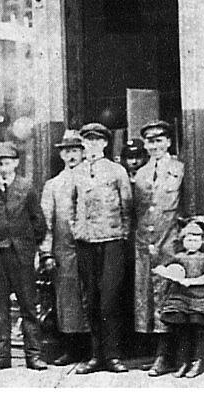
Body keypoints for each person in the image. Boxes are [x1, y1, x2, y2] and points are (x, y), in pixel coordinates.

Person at [0, 141, 49, 372]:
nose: (3, 167)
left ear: (16, 163)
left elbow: (39, 221)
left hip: (21, 255)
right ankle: (0, 356)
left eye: (8, 162)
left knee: (28, 305)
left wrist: (30, 245)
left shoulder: (26, 187)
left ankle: (33, 355)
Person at [70, 122, 133, 374]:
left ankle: (113, 355)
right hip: (86, 241)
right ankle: (96, 356)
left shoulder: (117, 171)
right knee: (91, 300)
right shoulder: (77, 172)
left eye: (97, 141)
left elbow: (127, 205)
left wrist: (123, 234)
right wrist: (76, 229)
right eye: (88, 141)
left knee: (110, 299)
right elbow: (72, 206)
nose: (92, 145)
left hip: (112, 240)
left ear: (105, 143)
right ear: (83, 144)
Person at [132, 120, 187, 376]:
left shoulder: (180, 169)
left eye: (158, 140)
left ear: (168, 142)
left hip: (171, 242)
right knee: (149, 298)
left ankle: (169, 356)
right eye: (149, 141)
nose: (153, 146)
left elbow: (187, 206)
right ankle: (158, 353)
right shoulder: (141, 174)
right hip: (146, 244)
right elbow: (137, 211)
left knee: (170, 297)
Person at [39, 129, 91, 365]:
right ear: (61, 155)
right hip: (64, 249)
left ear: (83, 152)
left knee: (91, 296)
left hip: (90, 248)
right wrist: (47, 252)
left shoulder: (92, 178)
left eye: (75, 150)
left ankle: (95, 349)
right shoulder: (53, 185)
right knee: (68, 300)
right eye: (67, 151)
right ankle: (72, 349)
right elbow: (45, 221)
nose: (71, 156)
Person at [155, 215, 204, 378]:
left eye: (196, 240)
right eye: (188, 240)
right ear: (183, 241)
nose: (192, 244)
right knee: (181, 329)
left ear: (202, 242)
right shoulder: (178, 258)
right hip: (180, 299)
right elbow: (164, 268)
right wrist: (163, 271)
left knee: (197, 331)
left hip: (199, 299)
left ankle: (197, 361)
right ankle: (182, 363)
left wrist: (192, 281)